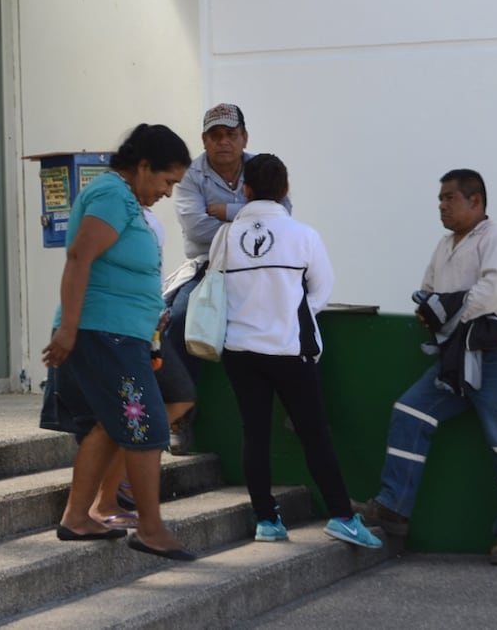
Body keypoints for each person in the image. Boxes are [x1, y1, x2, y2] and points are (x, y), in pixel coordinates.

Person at [354, 169, 497, 565]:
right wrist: (434, 309)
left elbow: (493, 294)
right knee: (410, 411)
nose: (442, 205)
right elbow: (432, 294)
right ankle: (394, 509)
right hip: (455, 356)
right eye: (440, 199)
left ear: (476, 201)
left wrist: (448, 311)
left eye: (450, 198)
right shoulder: (444, 245)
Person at [41, 123, 196, 561]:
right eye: (167, 181)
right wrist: (68, 328)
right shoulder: (112, 195)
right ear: (143, 166)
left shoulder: (122, 199)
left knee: (111, 426)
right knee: (147, 427)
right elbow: (79, 256)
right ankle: (151, 529)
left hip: (119, 334)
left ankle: (77, 518)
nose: (168, 192)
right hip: (104, 334)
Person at [219, 153, 381, 549]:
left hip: (239, 349)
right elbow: (321, 290)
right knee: (313, 434)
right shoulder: (304, 235)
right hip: (290, 349)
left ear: (246, 189)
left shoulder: (225, 236)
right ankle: (342, 515)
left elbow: (217, 287)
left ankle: (267, 521)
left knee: (253, 434)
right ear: (286, 190)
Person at [164, 103, 292, 449]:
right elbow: (197, 228)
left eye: (231, 135)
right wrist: (252, 216)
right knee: (178, 321)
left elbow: (284, 214)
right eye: (215, 136)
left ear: (244, 137)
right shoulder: (191, 175)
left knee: (300, 310)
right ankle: (180, 417)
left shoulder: (261, 166)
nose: (224, 142)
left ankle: (298, 407)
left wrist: (227, 211)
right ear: (204, 141)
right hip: (211, 266)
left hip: (261, 264)